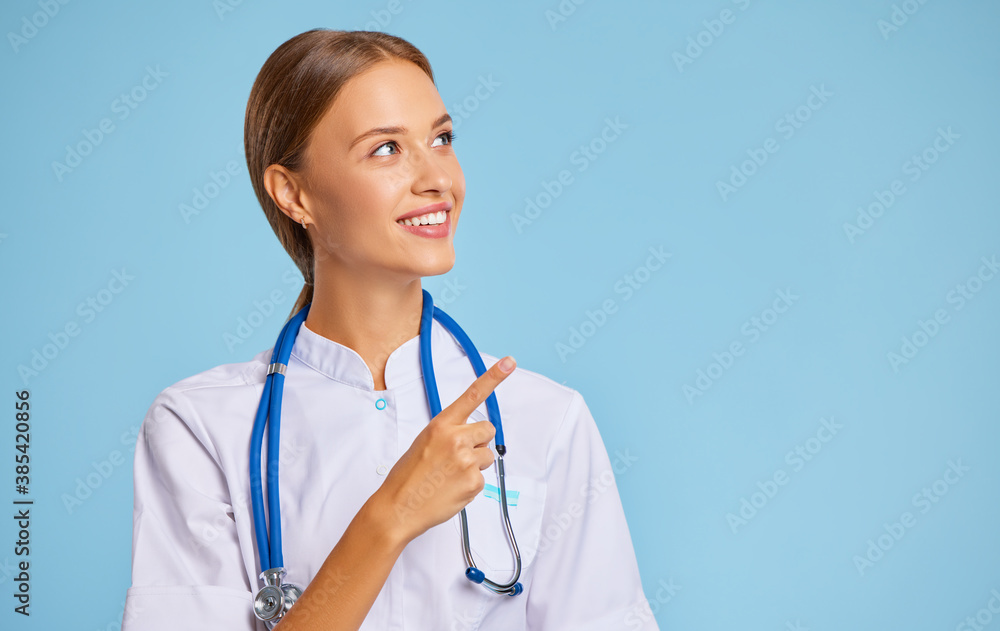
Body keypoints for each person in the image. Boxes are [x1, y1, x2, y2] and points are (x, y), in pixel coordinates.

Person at [121, 28, 658, 631]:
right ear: (293, 193)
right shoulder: (202, 426)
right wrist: (393, 514)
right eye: (386, 149)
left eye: (441, 139)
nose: (437, 179)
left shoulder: (545, 420)